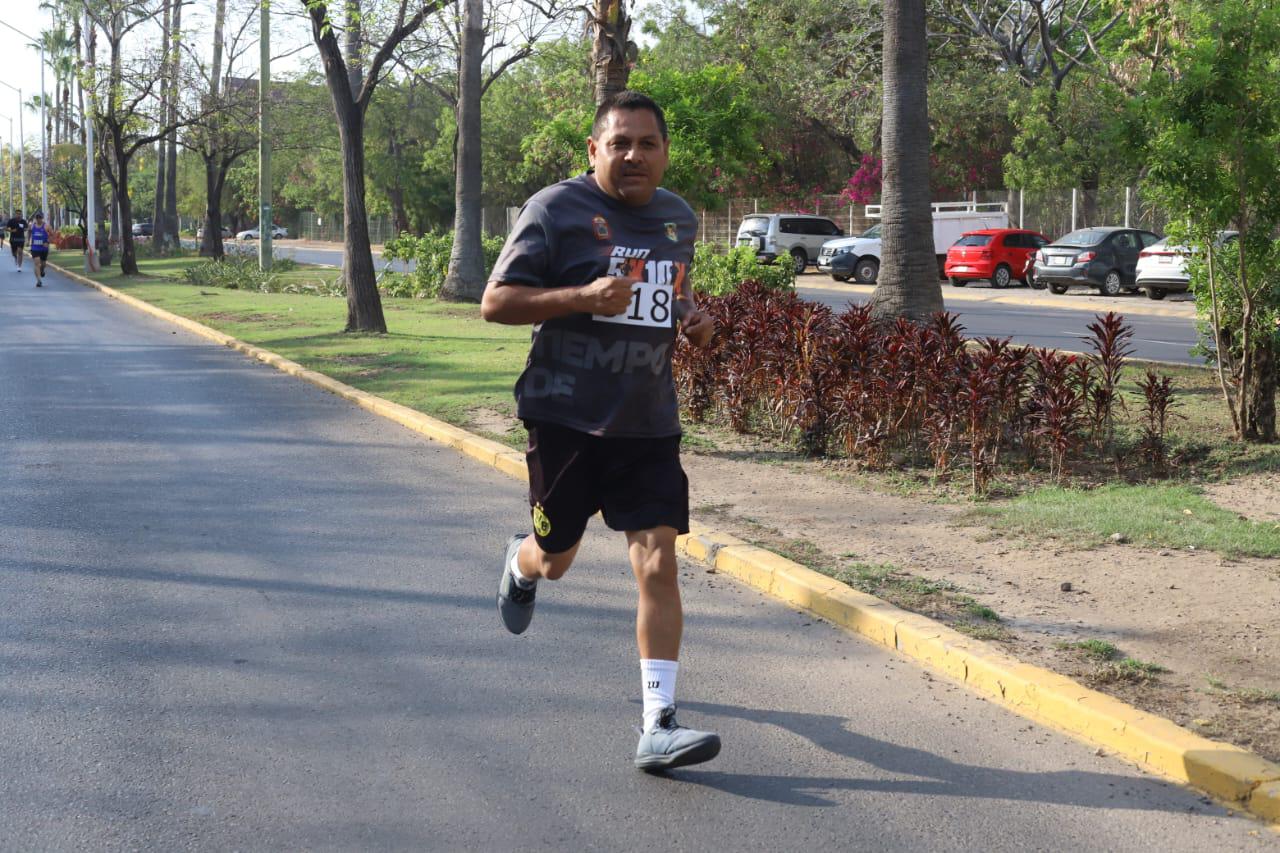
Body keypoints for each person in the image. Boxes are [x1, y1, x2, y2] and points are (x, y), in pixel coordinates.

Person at [482, 91, 719, 772]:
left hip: (648, 422)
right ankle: (520, 562)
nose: (634, 155)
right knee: (558, 556)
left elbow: (673, 296)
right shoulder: (554, 210)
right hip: (565, 417)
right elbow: (495, 301)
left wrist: (695, 319)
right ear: (594, 150)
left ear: (665, 151)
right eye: (619, 143)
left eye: (648, 143)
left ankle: (659, 722)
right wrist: (580, 297)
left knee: (658, 559)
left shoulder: (678, 219)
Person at [29, 213, 49, 287]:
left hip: (43, 248)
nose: (38, 219)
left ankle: (42, 270)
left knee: (43, 264)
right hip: (35, 248)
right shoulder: (32, 226)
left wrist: (47, 242)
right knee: (37, 263)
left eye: (40, 218)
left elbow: (52, 234)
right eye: (37, 218)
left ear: (42, 218)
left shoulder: (46, 226)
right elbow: (29, 233)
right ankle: (39, 281)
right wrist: (28, 241)